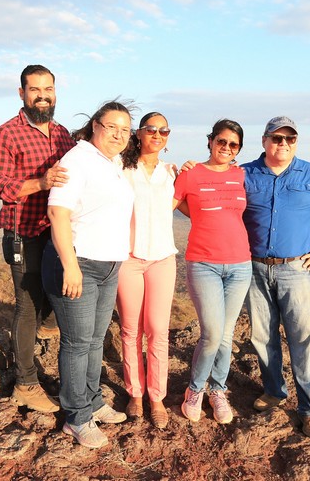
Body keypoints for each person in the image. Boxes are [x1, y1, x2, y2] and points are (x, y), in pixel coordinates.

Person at [242, 116, 310, 443]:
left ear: (296, 142)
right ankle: (274, 390)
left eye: (290, 139)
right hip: (254, 267)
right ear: (264, 140)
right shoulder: (244, 173)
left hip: (296, 269)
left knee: (302, 339)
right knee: (262, 336)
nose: (283, 144)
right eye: (277, 138)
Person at [42, 100, 135, 449]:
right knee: (78, 342)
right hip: (79, 262)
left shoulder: (113, 163)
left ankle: (93, 401)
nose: (119, 135)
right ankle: (76, 416)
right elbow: (57, 213)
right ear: (95, 125)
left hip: (109, 264)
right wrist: (70, 265)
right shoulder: (77, 160)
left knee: (96, 340)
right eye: (112, 127)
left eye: (125, 130)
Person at [0, 64, 75, 413]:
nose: (42, 96)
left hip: (57, 230)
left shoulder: (63, 134)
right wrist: (41, 182)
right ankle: (25, 383)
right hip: (24, 232)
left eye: (48, 89)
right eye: (35, 90)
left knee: (58, 293)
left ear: (55, 93)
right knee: (27, 306)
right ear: (21, 93)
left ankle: (46, 329)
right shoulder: (6, 134)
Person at [173, 119, 252, 424]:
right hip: (203, 263)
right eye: (221, 141)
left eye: (234, 145)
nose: (227, 148)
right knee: (212, 334)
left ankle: (218, 390)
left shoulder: (241, 175)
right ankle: (195, 389)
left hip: (240, 264)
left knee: (226, 335)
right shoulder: (191, 173)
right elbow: (168, 204)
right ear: (210, 141)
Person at [116, 112, 178, 429]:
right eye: (151, 129)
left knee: (157, 330)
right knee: (130, 330)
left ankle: (157, 397)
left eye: (163, 130)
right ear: (138, 133)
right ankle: (135, 394)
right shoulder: (122, 168)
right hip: (128, 258)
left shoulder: (172, 173)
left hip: (163, 259)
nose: (157, 134)